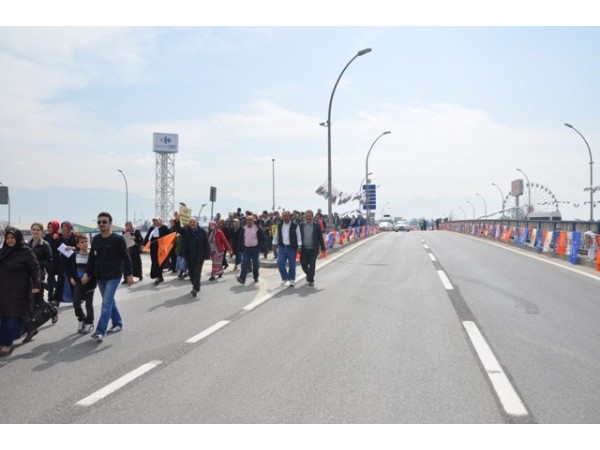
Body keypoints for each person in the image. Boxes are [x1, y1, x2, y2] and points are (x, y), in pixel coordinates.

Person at [82, 212, 133, 342]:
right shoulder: (96, 239)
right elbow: (92, 258)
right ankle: (117, 323)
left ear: (110, 224)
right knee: (109, 301)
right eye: (99, 222)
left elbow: (126, 257)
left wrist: (129, 274)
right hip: (100, 276)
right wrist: (88, 273)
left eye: (104, 222)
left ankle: (100, 331)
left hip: (114, 276)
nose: (101, 224)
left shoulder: (118, 239)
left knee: (106, 303)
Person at [0, 227, 41, 356]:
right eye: (7, 238)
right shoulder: (3, 252)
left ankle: (7, 343)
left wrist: (36, 284)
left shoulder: (26, 252)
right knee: (3, 314)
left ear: (18, 238)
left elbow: (35, 268)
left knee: (11, 315)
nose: (10, 240)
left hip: (20, 288)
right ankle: (30, 328)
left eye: (12, 238)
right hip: (3, 287)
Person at [173, 215, 210, 298]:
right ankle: (196, 285)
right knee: (191, 273)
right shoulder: (186, 230)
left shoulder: (202, 231)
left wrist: (207, 254)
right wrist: (177, 220)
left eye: (194, 222)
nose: (192, 223)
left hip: (199, 256)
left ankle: (195, 289)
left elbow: (206, 243)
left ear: (197, 223)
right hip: (189, 256)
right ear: (188, 223)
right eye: (190, 222)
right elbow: (178, 229)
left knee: (197, 272)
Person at [67, 235, 96, 334]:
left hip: (90, 283)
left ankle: (90, 323)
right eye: (82, 242)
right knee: (76, 303)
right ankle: (81, 319)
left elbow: (95, 268)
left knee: (89, 304)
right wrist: (72, 277)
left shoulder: (92, 255)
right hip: (78, 282)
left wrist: (89, 277)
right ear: (77, 245)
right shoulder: (74, 255)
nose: (85, 244)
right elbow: (71, 268)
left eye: (86, 241)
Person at [273, 210, 301, 287]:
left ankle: (292, 279)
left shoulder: (295, 226)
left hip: (291, 248)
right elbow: (276, 236)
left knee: (292, 264)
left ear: (290, 216)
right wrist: (274, 244)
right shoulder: (279, 226)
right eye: (283, 216)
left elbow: (299, 237)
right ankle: (284, 278)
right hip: (282, 247)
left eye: (286, 216)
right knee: (280, 263)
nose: (284, 217)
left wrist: (299, 246)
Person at [299, 209, 326, 287]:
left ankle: (311, 280)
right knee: (303, 264)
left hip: (313, 250)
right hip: (304, 249)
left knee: (312, 265)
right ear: (304, 217)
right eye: (307, 216)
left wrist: (323, 249)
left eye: (310, 216)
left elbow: (320, 238)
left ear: (312, 217)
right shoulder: (301, 225)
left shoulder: (316, 226)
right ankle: (309, 274)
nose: (308, 217)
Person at [237, 213, 265, 286]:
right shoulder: (243, 228)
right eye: (248, 220)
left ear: (253, 221)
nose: (249, 221)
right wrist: (240, 248)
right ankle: (242, 279)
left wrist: (261, 247)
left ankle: (256, 276)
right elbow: (240, 239)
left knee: (255, 264)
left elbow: (262, 238)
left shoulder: (257, 228)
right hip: (246, 249)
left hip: (255, 248)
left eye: (250, 220)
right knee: (245, 263)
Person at [143, 217, 170, 286]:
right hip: (153, 248)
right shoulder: (151, 228)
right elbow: (147, 237)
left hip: (161, 247)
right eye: (154, 221)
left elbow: (169, 235)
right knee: (154, 261)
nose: (155, 222)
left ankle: (158, 277)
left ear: (159, 221)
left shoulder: (164, 227)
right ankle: (160, 277)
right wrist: (143, 245)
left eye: (156, 221)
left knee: (160, 262)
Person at [43, 220, 61, 305]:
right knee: (50, 279)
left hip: (58, 261)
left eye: (51, 227)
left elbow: (60, 248)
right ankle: (51, 298)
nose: (49, 228)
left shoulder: (59, 236)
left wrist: (55, 240)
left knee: (60, 280)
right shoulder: (46, 237)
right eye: (48, 227)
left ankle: (57, 297)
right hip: (49, 262)